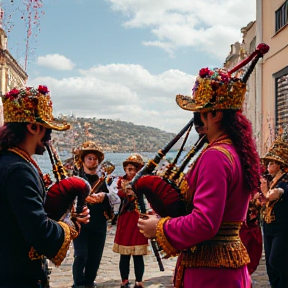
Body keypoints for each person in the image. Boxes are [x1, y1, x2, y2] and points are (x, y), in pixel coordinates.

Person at [138, 66, 260, 288]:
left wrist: (160, 227)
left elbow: (205, 222)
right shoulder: (235, 152)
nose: (196, 120)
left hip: (210, 274)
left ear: (215, 114)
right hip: (227, 268)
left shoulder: (216, 156)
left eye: (199, 112)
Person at [0, 85, 90, 288]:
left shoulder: (8, 161)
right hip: (17, 277)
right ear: (33, 127)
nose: (49, 138)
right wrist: (71, 226)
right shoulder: (18, 170)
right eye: (47, 129)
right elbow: (40, 233)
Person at [72, 140, 113, 288]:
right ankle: (77, 285)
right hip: (81, 225)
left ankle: (89, 284)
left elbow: (114, 200)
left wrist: (104, 196)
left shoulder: (105, 181)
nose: (93, 161)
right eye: (89, 158)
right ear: (83, 160)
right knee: (80, 256)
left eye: (95, 158)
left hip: (99, 225)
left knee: (94, 259)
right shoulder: (75, 180)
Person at [113, 154, 149, 288]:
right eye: (128, 169)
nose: (130, 172)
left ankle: (139, 281)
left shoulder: (142, 183)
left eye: (133, 169)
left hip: (138, 219)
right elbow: (116, 197)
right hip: (125, 219)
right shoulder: (119, 182)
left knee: (138, 254)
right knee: (124, 254)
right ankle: (124, 280)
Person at [260, 127, 288, 288]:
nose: (268, 165)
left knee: (277, 261)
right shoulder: (270, 181)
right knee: (270, 267)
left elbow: (273, 195)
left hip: (282, 229)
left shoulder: (284, 182)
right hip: (268, 227)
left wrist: (264, 191)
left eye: (272, 163)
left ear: (280, 165)